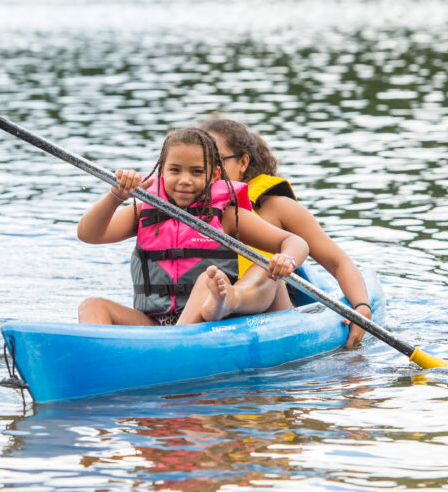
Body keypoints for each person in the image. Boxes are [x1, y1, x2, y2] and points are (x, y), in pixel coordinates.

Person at [77, 127, 309, 326]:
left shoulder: (229, 216)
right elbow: (88, 234)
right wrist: (115, 196)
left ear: (215, 175)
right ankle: (92, 361)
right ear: (162, 171)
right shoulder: (143, 212)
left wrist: (286, 259)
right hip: (154, 324)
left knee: (213, 278)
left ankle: (203, 320)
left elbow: (294, 242)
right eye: (175, 170)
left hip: (207, 324)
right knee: (92, 306)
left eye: (197, 172)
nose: (185, 180)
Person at [198, 118, 371, 346]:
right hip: (206, 307)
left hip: (268, 311)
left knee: (263, 266)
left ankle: (231, 298)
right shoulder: (182, 207)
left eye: (217, 160)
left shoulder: (278, 207)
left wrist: (362, 307)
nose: (210, 171)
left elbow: (338, 262)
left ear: (243, 162)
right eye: (201, 162)